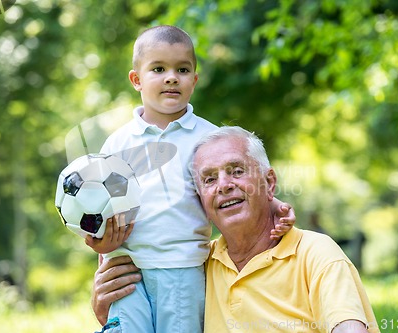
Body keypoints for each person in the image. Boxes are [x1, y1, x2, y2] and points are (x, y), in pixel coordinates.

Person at [85, 26, 296, 333]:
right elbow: (97, 201)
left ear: (194, 81)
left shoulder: (207, 138)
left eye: (182, 69)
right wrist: (96, 239)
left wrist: (275, 205)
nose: (172, 77)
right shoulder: (118, 143)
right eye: (159, 69)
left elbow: (238, 182)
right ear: (136, 80)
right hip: (124, 265)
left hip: (181, 267)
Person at [93, 126, 380, 333]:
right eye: (208, 179)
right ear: (200, 202)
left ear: (269, 183)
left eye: (237, 171)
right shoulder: (199, 265)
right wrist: (107, 313)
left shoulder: (314, 253)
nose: (224, 185)